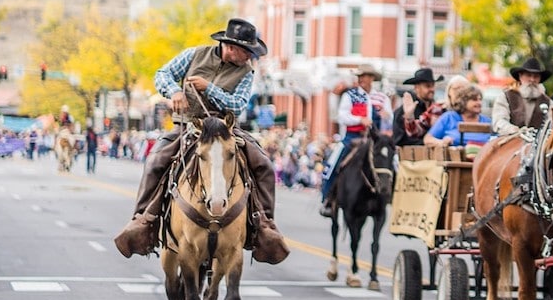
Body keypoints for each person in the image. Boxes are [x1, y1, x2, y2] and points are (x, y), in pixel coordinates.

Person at [112, 18, 287, 263]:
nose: (250, 57)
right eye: (247, 51)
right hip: (188, 126)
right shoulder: (194, 55)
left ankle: (264, 224)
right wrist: (173, 91)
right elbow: (163, 74)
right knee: (156, 160)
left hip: (226, 130)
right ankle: (143, 221)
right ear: (232, 47)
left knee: (264, 165)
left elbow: (237, 104)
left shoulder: (247, 73)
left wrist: (209, 88)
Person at [321, 65, 390, 218]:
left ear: (371, 78)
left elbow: (388, 119)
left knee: (391, 162)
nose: (361, 79)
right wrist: (360, 119)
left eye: (364, 76)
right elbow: (342, 116)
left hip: (375, 139)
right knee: (333, 163)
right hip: (352, 138)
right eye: (359, 76)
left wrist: (386, 117)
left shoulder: (381, 98)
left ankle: (389, 194)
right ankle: (328, 197)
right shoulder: (350, 96)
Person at [492, 56, 553, 135]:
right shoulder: (506, 97)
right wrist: (513, 130)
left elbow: (552, 124)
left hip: (539, 144)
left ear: (540, 79)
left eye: (536, 76)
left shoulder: (548, 102)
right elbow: (499, 121)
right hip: (510, 141)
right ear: (520, 76)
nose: (532, 80)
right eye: (528, 75)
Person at [392, 66, 443, 148]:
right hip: (412, 158)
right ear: (417, 88)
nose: (432, 89)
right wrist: (426, 142)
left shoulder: (438, 110)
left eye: (433, 85)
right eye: (427, 86)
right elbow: (399, 139)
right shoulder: (402, 111)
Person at [425, 86, 493, 147]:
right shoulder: (449, 117)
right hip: (454, 158)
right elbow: (428, 139)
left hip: (482, 158)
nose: (479, 103)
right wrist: (442, 142)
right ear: (463, 101)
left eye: (480, 99)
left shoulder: (487, 121)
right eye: (474, 100)